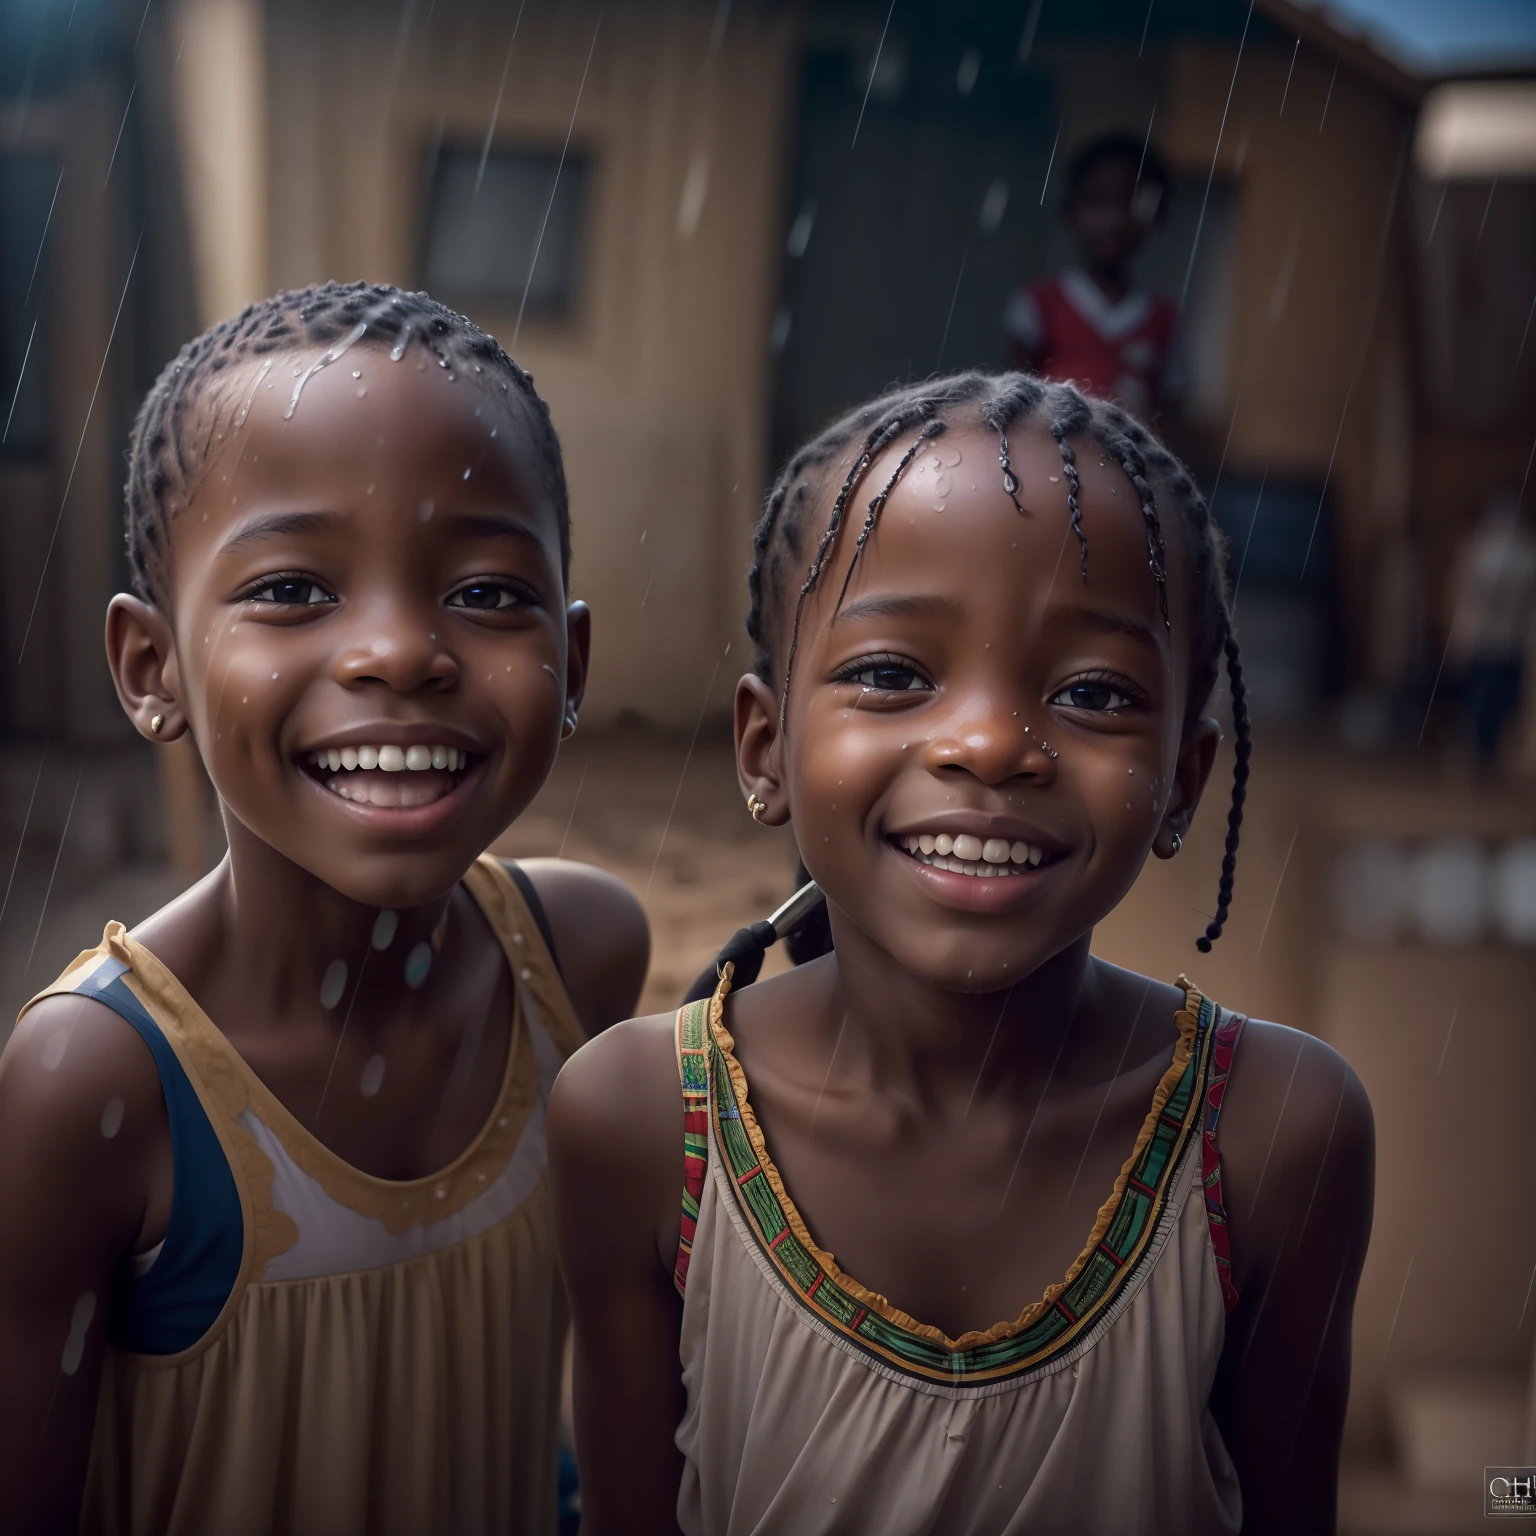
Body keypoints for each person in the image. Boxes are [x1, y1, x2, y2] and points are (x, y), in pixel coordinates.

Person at [550, 373, 1374, 1536]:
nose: (991, 743)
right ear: (765, 749)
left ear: (1184, 781)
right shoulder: (637, 1121)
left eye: (1093, 691)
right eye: (892, 673)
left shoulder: (1276, 1134)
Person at [0, 282, 649, 1535]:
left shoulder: (583, 960)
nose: (401, 653)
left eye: (489, 594)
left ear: (572, 663)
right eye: (295, 591)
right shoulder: (94, 1087)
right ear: (154, 670)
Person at [1006, 134, 1182, 424]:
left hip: (1131, 466)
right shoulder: (1038, 304)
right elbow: (1013, 402)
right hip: (1050, 460)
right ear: (1071, 212)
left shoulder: (1165, 320)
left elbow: (1172, 417)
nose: (1114, 220)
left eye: (1131, 203)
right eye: (1098, 201)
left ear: (1157, 218)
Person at [1448, 490, 1536, 768]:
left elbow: (1464, 597)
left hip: (1494, 642)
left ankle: (1481, 753)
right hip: (1502, 643)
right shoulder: (1522, 549)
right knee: (1490, 703)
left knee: (1487, 703)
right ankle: (1481, 753)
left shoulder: (1481, 548)